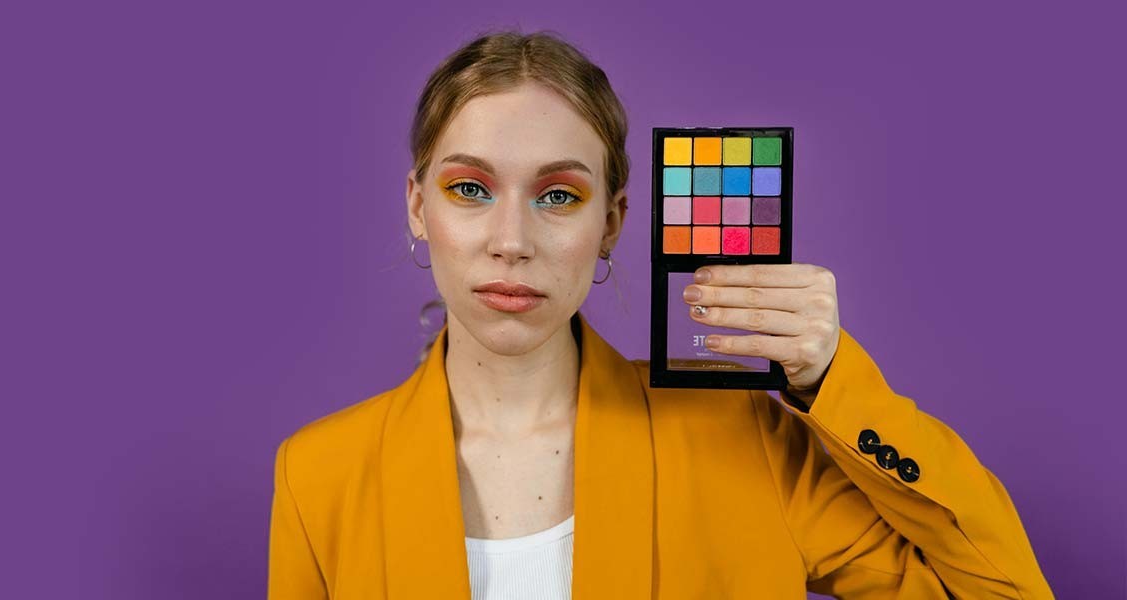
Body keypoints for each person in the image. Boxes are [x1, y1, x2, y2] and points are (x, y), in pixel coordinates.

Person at [266, 31, 1053, 599]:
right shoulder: (318, 476)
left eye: (559, 196)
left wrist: (834, 383)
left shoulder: (740, 437)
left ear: (611, 222)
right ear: (417, 206)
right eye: (469, 188)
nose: (512, 241)